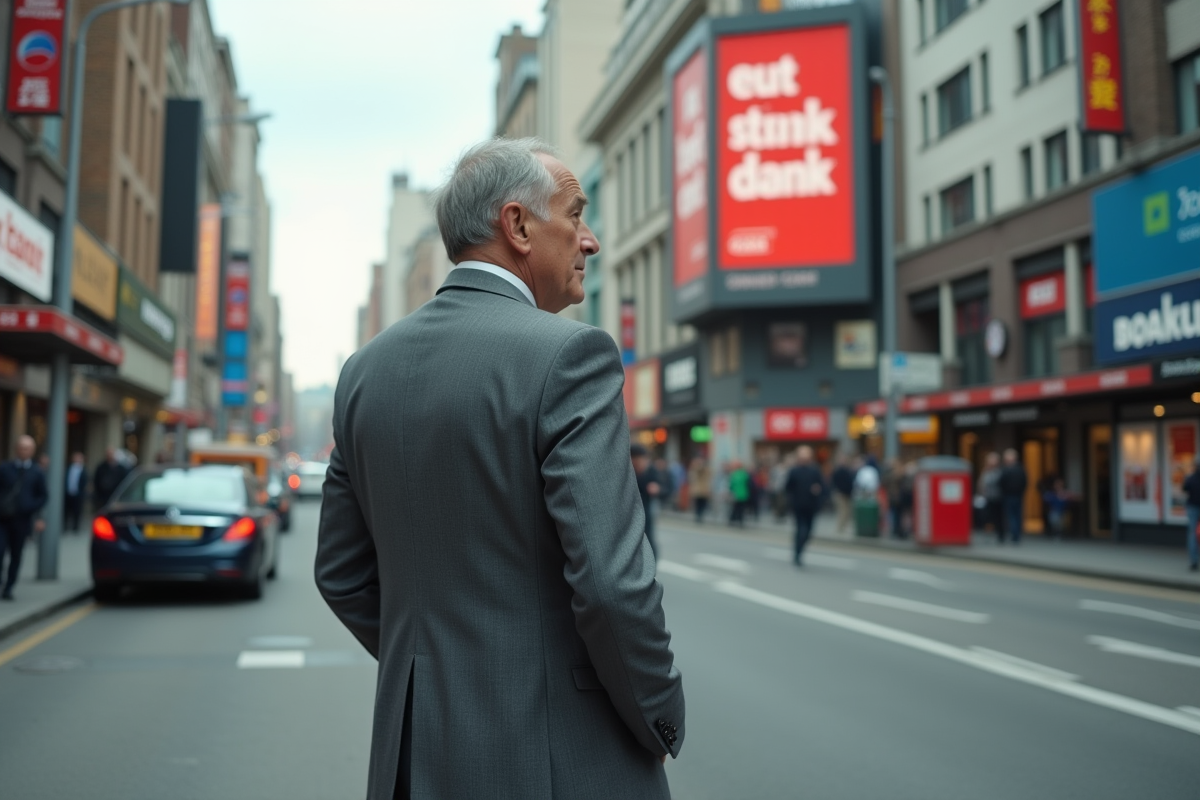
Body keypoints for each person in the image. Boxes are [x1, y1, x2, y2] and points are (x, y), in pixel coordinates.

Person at [315, 137, 683, 800]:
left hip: (412, 753)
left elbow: (341, 575)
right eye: (575, 215)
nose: (589, 240)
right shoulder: (572, 357)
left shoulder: (363, 372)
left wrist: (435, 673)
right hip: (558, 756)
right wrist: (660, 714)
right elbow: (610, 585)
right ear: (516, 226)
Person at [0, 436, 49, 600]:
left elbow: (43, 496)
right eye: (21, 447)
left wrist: (33, 511)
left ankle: (9, 586)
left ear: (32, 451)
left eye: (27, 448)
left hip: (22, 520)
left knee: (16, 554)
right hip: (3, 519)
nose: (23, 451)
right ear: (16, 449)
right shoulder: (5, 468)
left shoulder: (36, 472)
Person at [784, 446, 826, 566]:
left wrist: (818, 490)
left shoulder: (815, 471)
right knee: (801, 531)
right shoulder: (794, 471)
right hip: (798, 506)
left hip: (811, 506)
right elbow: (787, 488)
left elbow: (823, 487)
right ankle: (797, 554)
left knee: (808, 532)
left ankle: (799, 550)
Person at [636, 447, 664, 556]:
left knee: (648, 536)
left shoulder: (651, 471)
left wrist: (657, 488)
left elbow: (663, 487)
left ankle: (652, 561)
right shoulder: (627, 472)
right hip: (630, 510)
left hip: (647, 508)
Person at [999, 448, 1028, 544]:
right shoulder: (1020, 468)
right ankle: (1017, 535)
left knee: (1012, 516)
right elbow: (1025, 482)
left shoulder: (1006, 470)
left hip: (1009, 496)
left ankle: (1014, 535)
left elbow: (1001, 482)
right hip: (1018, 495)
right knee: (1017, 516)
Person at [978, 452, 1003, 542]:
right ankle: (987, 535)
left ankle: (1000, 536)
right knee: (987, 517)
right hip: (988, 497)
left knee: (999, 517)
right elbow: (981, 483)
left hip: (998, 497)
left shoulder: (1000, 471)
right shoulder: (985, 471)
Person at [830, 455, 856, 536]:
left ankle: (844, 527)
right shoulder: (838, 471)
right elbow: (834, 482)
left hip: (847, 494)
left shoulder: (847, 470)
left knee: (848, 511)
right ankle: (840, 527)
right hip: (840, 494)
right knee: (843, 511)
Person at [1182, 456, 1200, 571]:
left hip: (1193, 507)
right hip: (1193, 507)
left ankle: (1194, 561)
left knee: (1193, 533)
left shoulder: (1191, 477)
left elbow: (1184, 488)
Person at [65, 451, 88, 534]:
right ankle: (65, 527)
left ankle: (75, 527)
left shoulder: (83, 470)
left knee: (77, 512)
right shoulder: (68, 468)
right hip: (68, 493)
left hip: (78, 494)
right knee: (67, 511)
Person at [688, 456, 712, 523]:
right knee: (698, 504)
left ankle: (700, 515)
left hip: (704, 490)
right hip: (697, 490)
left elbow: (709, 478)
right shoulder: (694, 469)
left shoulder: (706, 470)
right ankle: (698, 516)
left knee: (703, 504)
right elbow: (692, 477)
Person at [728, 460, 751, 527]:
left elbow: (731, 485)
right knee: (741, 509)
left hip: (736, 494)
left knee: (735, 508)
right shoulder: (744, 474)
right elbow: (748, 484)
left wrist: (731, 492)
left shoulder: (734, 474)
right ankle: (740, 521)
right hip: (743, 494)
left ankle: (732, 520)